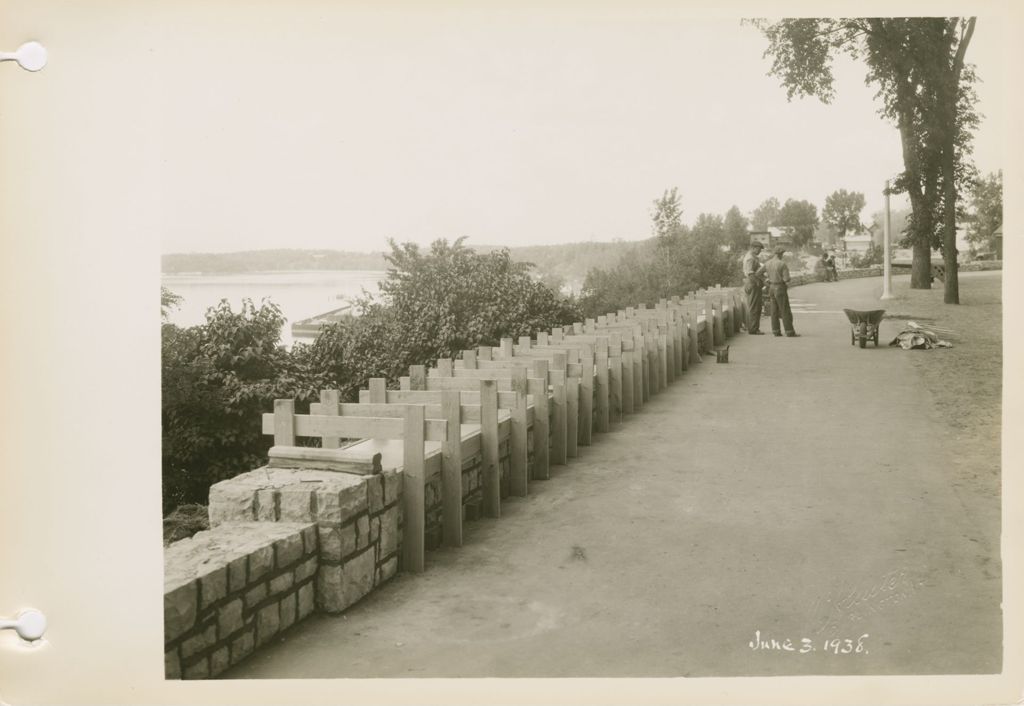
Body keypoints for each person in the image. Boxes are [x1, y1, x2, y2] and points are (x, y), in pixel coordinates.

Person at [764, 245, 799, 337]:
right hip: (780, 288)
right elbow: (786, 279)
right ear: (780, 254)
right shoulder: (782, 264)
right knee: (785, 310)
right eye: (782, 253)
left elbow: (758, 273)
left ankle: (776, 331)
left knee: (774, 310)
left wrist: (767, 281)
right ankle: (789, 331)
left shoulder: (767, 263)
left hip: (771, 287)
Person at [742, 241, 766, 334]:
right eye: (759, 249)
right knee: (754, 306)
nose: (760, 251)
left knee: (755, 306)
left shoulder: (752, 257)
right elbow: (750, 273)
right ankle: (753, 329)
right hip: (752, 283)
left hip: (752, 283)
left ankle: (753, 328)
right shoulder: (750, 258)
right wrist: (758, 283)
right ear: (753, 248)